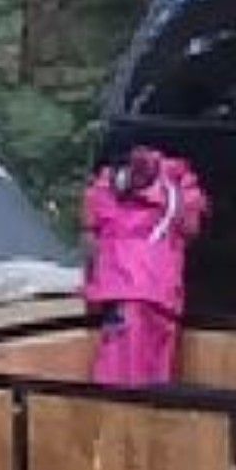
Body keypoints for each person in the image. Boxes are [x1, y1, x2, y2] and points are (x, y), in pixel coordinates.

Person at [82, 146, 209, 387]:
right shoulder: (177, 190)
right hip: (160, 295)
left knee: (120, 382)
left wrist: (92, 291)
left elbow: (91, 243)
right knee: (153, 381)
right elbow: (190, 227)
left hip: (127, 296)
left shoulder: (105, 189)